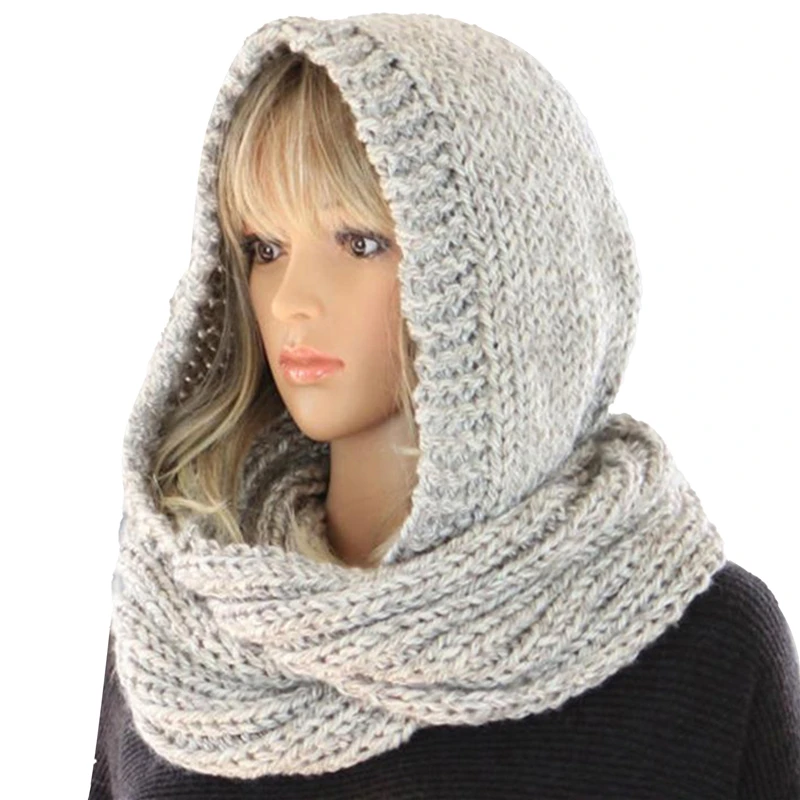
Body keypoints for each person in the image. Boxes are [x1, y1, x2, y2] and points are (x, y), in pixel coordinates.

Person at [88, 12, 800, 799]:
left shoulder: (707, 647)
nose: (291, 300)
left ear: (508, 272)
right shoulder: (177, 622)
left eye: (360, 243)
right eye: (265, 248)